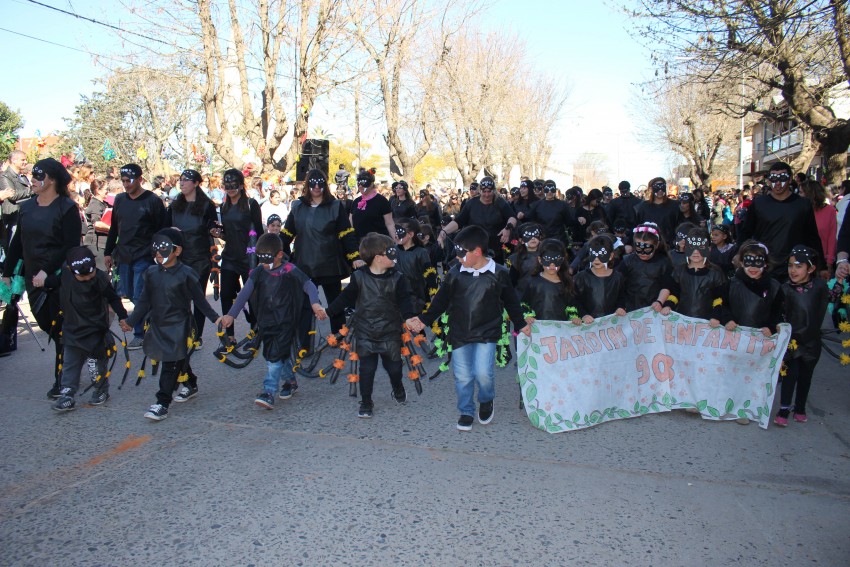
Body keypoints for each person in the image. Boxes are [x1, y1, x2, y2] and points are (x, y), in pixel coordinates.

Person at [406, 226, 532, 431]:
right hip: (459, 332)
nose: (457, 257)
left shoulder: (499, 273)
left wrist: (521, 324)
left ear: (478, 252)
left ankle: (486, 399)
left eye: (461, 253)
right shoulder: (455, 273)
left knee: (483, 373)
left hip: (487, 332)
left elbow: (511, 302)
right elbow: (440, 300)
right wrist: (423, 320)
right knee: (462, 375)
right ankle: (466, 410)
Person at [120, 228, 222, 421]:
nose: (159, 252)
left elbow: (200, 300)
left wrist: (215, 318)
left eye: (165, 248)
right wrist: (131, 322)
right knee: (177, 360)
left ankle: (162, 402)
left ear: (177, 251)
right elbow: (143, 301)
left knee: (170, 362)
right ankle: (191, 384)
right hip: (159, 325)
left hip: (180, 326)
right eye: (156, 248)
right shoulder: (151, 273)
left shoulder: (186, 274)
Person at [1, 158, 82, 390]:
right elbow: (18, 241)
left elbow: (70, 245)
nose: (33, 180)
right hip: (32, 277)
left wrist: (48, 272)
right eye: (33, 175)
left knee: (59, 329)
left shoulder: (66, 208)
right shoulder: (26, 207)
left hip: (58, 277)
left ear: (52, 180)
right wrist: (8, 272)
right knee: (47, 324)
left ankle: (63, 380)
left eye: (39, 176)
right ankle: (75, 360)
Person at [220, 233, 327, 408]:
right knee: (276, 354)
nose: (263, 262)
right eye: (260, 257)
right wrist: (231, 314)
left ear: (279, 254)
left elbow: (308, 284)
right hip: (266, 321)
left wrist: (315, 304)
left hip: (286, 321)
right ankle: (291, 382)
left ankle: (268, 391)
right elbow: (245, 293)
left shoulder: (289, 269)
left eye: (267, 257)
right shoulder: (258, 271)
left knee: (274, 358)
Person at [326, 233, 416, 418]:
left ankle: (397, 387)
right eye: (390, 252)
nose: (395, 255)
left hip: (390, 331)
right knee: (366, 369)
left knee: (394, 368)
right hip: (365, 331)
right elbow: (345, 298)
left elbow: (405, 301)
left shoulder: (398, 278)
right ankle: (366, 401)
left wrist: (409, 318)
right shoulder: (359, 278)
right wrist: (328, 311)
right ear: (378, 258)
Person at [281, 169, 361, 340]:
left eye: (320, 183)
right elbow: (287, 233)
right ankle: (304, 342)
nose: (316, 187)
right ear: (307, 185)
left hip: (330, 264)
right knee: (305, 305)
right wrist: (273, 252)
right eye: (313, 183)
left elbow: (346, 233)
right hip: (304, 265)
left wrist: (355, 257)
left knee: (335, 302)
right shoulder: (297, 207)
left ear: (325, 185)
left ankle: (338, 337)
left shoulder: (335, 206)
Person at [51, 247, 128, 411]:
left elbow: (113, 298)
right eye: (81, 275)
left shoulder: (100, 278)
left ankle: (101, 390)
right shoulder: (65, 275)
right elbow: (52, 282)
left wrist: (123, 316)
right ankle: (67, 394)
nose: (86, 278)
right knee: (70, 364)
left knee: (97, 364)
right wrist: (40, 279)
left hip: (95, 329)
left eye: (89, 274)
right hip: (72, 328)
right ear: (71, 270)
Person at [103, 163, 166, 349]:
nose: (126, 184)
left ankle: (141, 333)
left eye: (129, 180)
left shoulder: (153, 201)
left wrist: (161, 254)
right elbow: (114, 227)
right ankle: (154, 319)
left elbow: (162, 228)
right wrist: (108, 252)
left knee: (139, 294)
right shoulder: (120, 200)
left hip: (145, 255)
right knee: (129, 293)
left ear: (140, 179)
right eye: (122, 181)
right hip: (123, 255)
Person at [738, 161, 824, 280]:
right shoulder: (758, 203)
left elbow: (812, 237)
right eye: (773, 179)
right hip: (764, 265)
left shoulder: (803, 204)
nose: (777, 183)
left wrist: (822, 266)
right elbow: (746, 232)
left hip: (794, 267)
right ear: (768, 180)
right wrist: (739, 254)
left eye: (782, 178)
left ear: (790, 179)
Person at [775, 246, 829, 426]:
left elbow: (826, 304)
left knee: (806, 375)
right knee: (790, 374)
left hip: (812, 340)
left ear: (811, 269)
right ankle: (784, 408)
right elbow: (781, 312)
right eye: (790, 266)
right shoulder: (785, 289)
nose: (793, 270)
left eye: (798, 266)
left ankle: (800, 407)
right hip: (793, 341)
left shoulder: (820, 287)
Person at [209, 168, 264, 343]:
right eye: (227, 184)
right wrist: (219, 233)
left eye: (234, 184)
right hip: (230, 256)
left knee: (251, 294)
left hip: (249, 256)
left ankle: (255, 330)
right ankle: (229, 334)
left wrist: (256, 257)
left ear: (241, 185)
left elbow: (259, 232)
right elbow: (228, 234)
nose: (230, 187)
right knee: (226, 295)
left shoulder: (251, 204)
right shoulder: (224, 206)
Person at [165, 169, 217, 351]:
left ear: (196, 183)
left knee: (198, 297)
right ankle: (183, 333)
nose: (182, 183)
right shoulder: (174, 205)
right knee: (180, 298)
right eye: (180, 180)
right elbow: (165, 228)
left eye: (186, 180)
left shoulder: (206, 205)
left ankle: (196, 336)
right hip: (179, 256)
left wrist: (214, 231)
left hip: (200, 257)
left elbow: (213, 226)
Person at [438, 176, 517, 264]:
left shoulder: (500, 202)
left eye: (489, 191)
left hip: (495, 249)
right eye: (484, 191)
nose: (487, 194)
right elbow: (459, 221)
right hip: (474, 248)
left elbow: (512, 217)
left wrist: (508, 228)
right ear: (480, 190)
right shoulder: (471, 203)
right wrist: (444, 232)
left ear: (494, 191)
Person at [659, 228, 727, 325]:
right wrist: (668, 306)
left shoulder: (715, 273)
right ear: (685, 247)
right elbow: (674, 293)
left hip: (707, 323)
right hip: (682, 321)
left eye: (701, 247)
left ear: (709, 249)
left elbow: (719, 299)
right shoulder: (679, 271)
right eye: (692, 247)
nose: (696, 252)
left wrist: (716, 316)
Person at [519, 238, 580, 323]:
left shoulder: (567, 282)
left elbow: (572, 305)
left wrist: (573, 317)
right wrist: (528, 316)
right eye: (548, 259)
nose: (552, 265)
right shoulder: (533, 282)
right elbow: (524, 303)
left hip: (561, 330)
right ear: (540, 260)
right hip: (539, 330)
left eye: (556, 260)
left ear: (562, 260)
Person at [617, 222, 673, 312]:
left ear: (656, 245)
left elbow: (667, 286)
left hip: (654, 309)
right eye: (638, 249)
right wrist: (620, 305)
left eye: (647, 250)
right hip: (630, 309)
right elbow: (618, 285)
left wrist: (659, 302)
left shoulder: (664, 263)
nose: (642, 253)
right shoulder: (627, 261)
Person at [573, 235, 627, 323]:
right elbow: (574, 301)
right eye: (593, 254)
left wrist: (620, 307)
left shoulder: (618, 278)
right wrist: (583, 314)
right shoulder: (581, 278)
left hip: (611, 325)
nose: (596, 259)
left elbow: (621, 298)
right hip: (587, 326)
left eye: (601, 254)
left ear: (610, 256)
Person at [394, 218, 437, 315]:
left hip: (415, 295)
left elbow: (429, 273)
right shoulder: (394, 250)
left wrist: (433, 293)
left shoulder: (421, 252)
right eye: (395, 231)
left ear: (410, 234)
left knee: (413, 324)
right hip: (397, 294)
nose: (396, 235)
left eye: (400, 232)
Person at [799, 180, 837, 273]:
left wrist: (829, 262)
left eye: (801, 192)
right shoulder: (799, 210)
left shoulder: (830, 211)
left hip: (820, 262)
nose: (798, 195)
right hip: (799, 261)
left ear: (810, 193)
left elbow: (832, 238)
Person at [526, 180, 575, 245]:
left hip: (558, 239)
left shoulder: (563, 205)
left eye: (552, 189)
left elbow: (569, 221)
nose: (549, 192)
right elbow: (530, 220)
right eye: (547, 189)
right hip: (542, 238)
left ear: (555, 190)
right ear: (543, 189)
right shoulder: (536, 205)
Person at [0, 150, 30, 256]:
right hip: (14, 218)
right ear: (14, 160)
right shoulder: (5, 176)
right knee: (13, 250)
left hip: (25, 216)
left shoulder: (22, 176)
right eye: (22, 160)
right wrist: (32, 191)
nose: (25, 162)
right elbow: (12, 196)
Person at [351, 169, 395, 240]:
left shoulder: (381, 201)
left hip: (378, 243)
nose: (360, 186)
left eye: (364, 183)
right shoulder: (356, 201)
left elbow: (389, 223)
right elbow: (351, 222)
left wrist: (396, 241)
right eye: (359, 183)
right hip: (360, 244)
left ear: (371, 184)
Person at [636, 177, 680, 245]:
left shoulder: (674, 205)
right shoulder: (644, 206)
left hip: (669, 244)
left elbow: (679, 224)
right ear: (651, 189)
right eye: (657, 187)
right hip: (649, 243)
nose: (660, 190)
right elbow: (638, 225)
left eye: (662, 186)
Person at [82, 178, 109, 269]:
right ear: (98, 190)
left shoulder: (103, 204)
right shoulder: (95, 204)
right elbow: (97, 224)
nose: (107, 192)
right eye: (106, 189)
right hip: (95, 243)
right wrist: (112, 229)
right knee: (101, 270)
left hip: (103, 242)